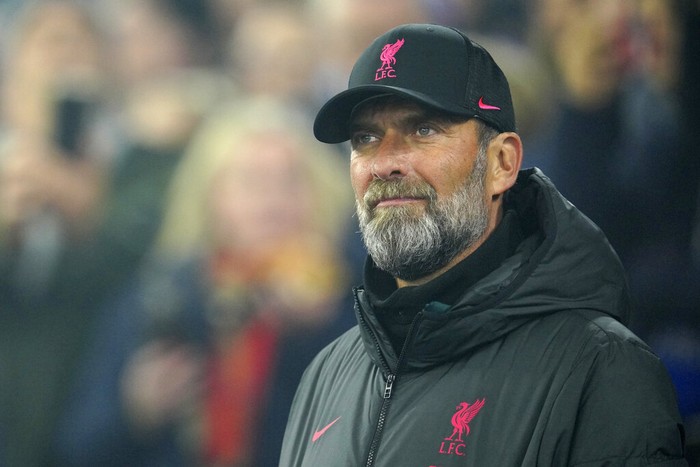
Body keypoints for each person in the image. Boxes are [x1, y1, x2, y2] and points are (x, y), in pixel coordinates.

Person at [278, 23, 688, 466]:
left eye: (424, 130)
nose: (387, 163)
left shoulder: (601, 368)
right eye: (366, 138)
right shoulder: (327, 372)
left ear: (502, 162)